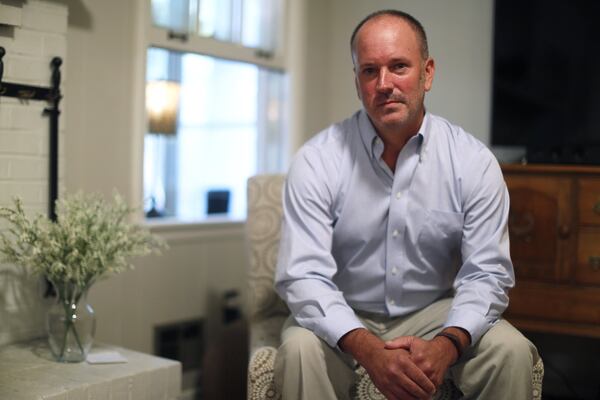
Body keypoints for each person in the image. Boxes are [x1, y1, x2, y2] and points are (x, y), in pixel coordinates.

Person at [273, 9, 540, 400]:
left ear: (427, 73)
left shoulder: (473, 162)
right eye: (369, 71)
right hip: (345, 311)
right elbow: (303, 275)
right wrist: (368, 349)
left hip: (435, 312)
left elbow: (487, 275)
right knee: (298, 349)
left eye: (398, 66)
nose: (384, 84)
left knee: (511, 352)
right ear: (357, 80)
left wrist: (447, 344)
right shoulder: (317, 160)